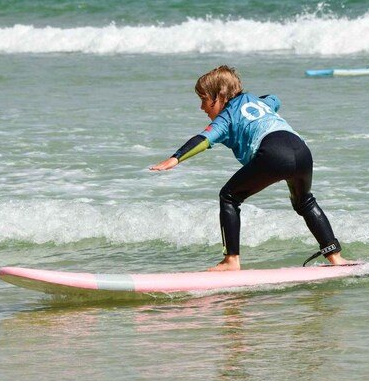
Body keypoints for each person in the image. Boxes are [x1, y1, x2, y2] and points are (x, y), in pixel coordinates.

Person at [150, 65, 352, 271]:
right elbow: (274, 99)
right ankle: (335, 256)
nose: (202, 108)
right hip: (302, 151)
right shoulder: (259, 101)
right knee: (304, 202)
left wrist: (176, 158)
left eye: (204, 100)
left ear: (219, 96)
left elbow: (204, 139)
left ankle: (231, 260)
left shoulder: (226, 118)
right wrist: (259, 102)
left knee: (229, 196)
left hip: (274, 151)